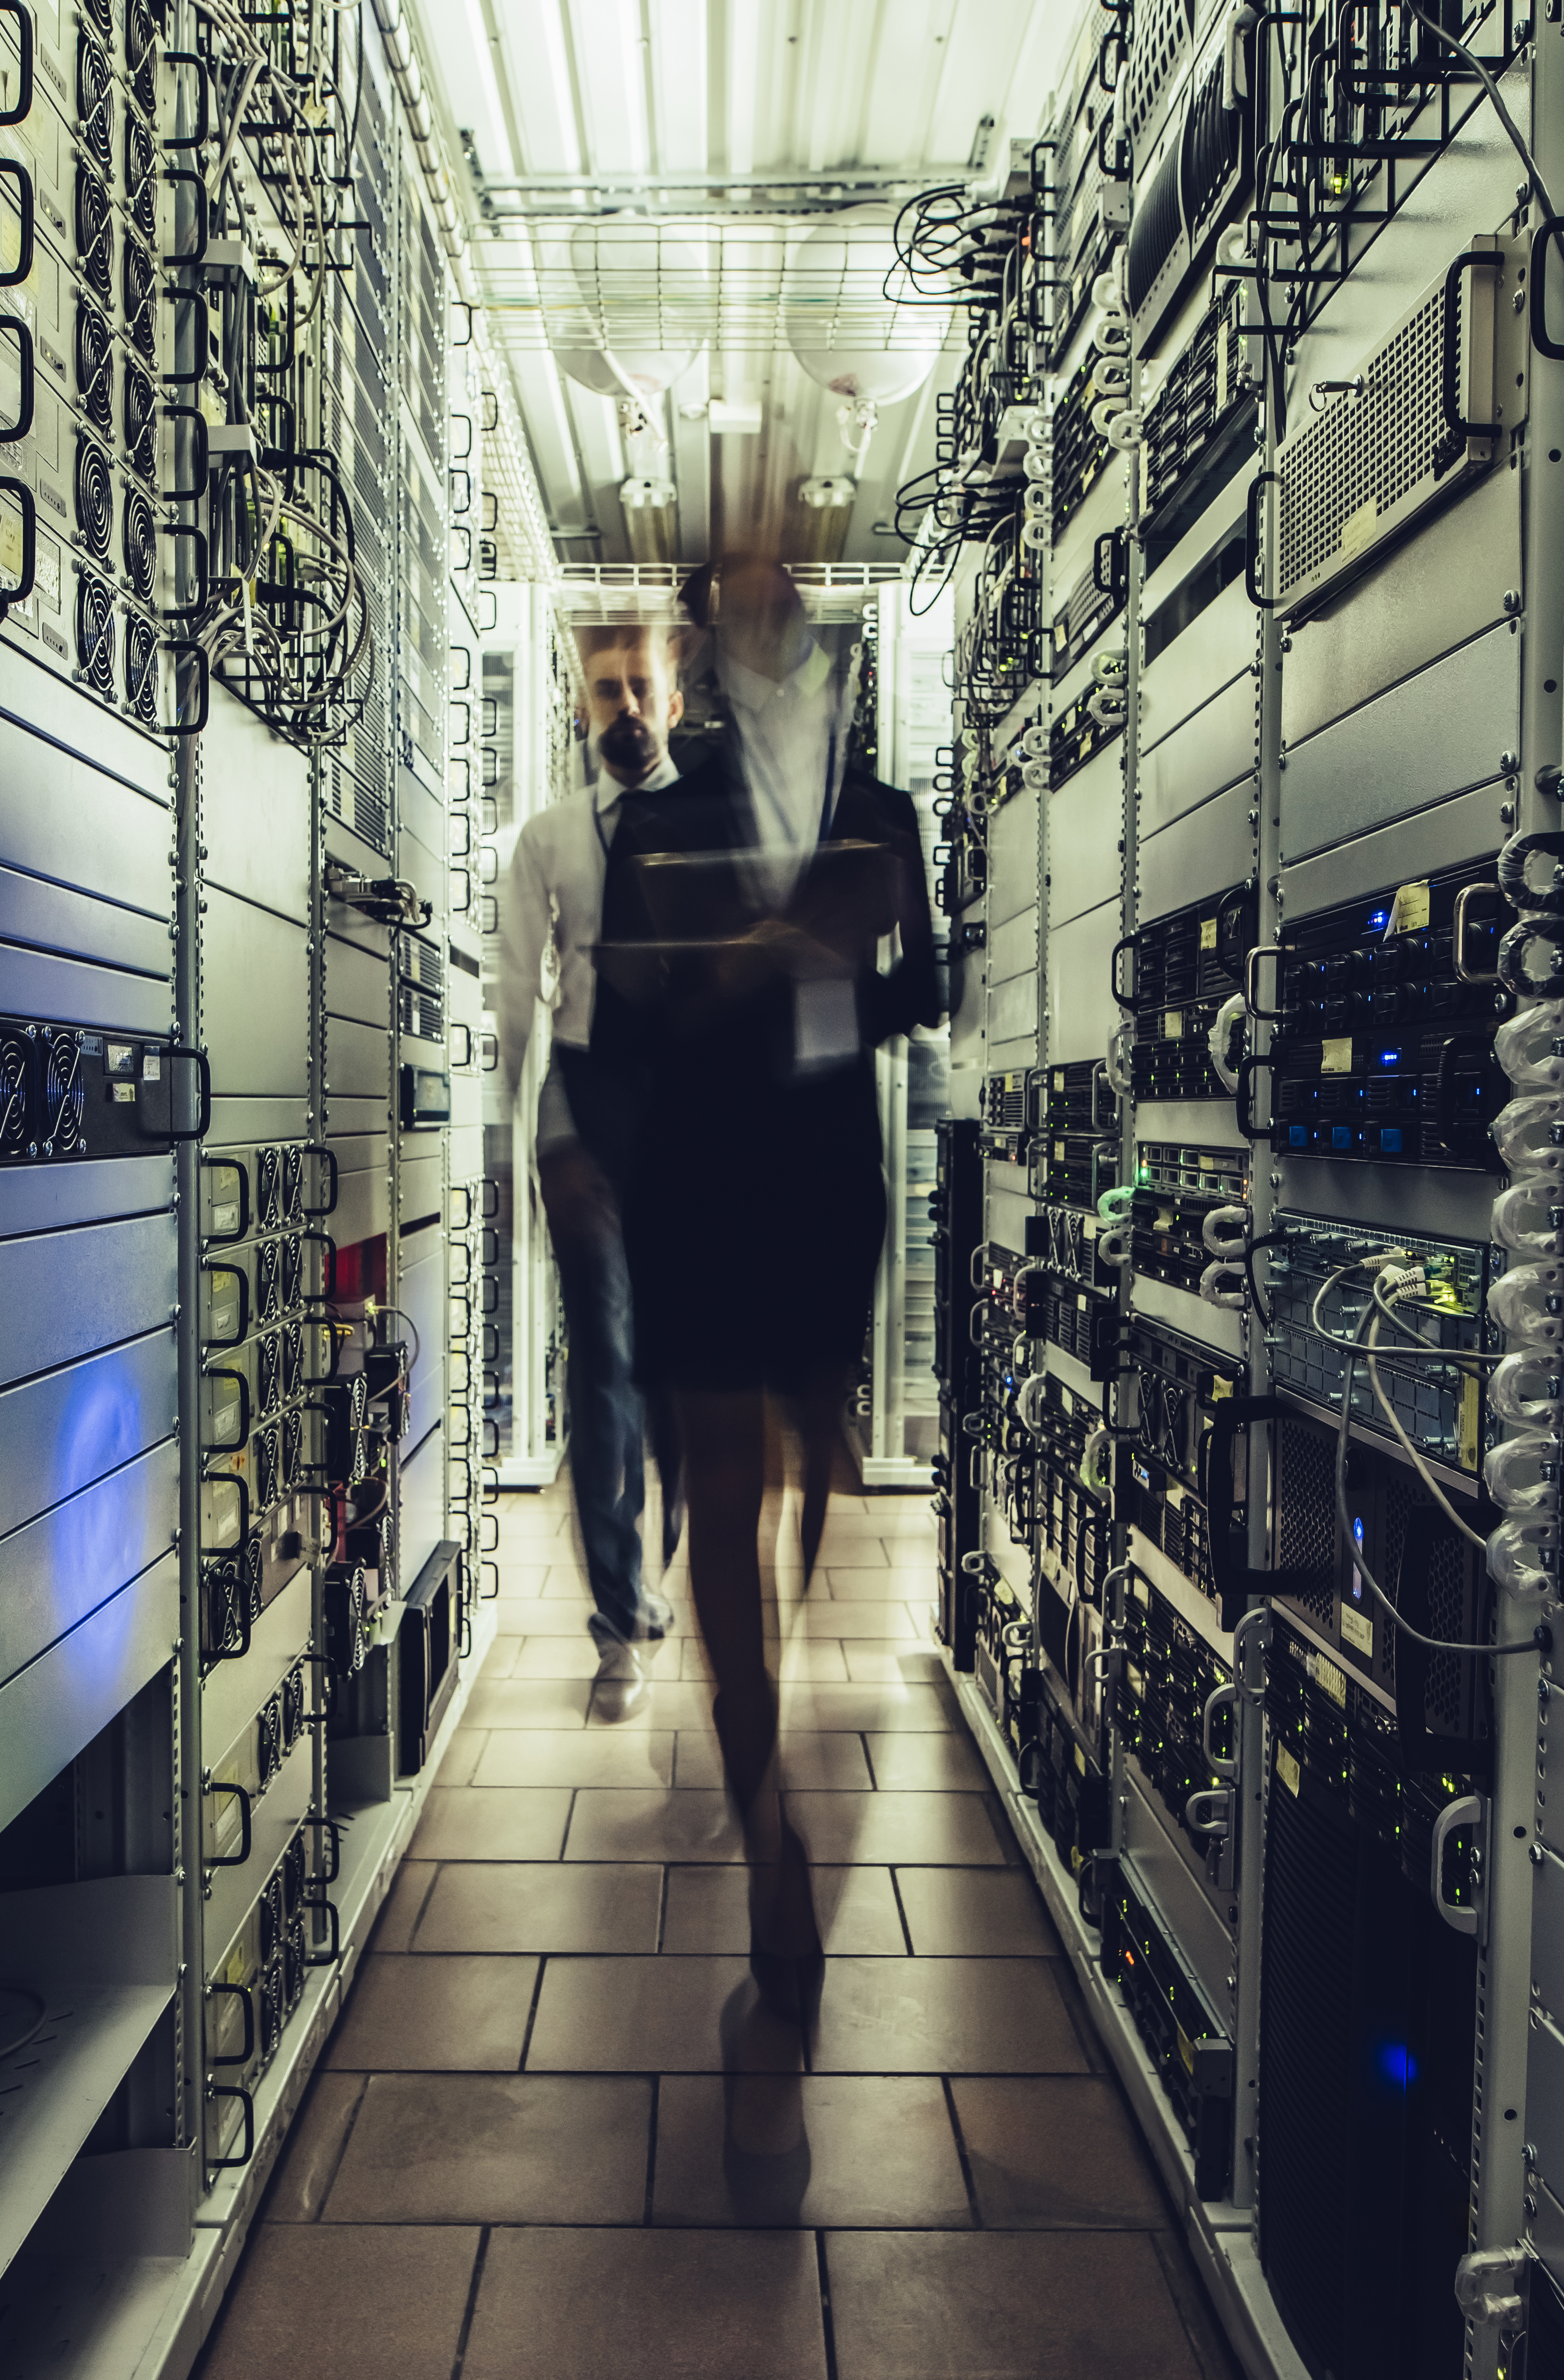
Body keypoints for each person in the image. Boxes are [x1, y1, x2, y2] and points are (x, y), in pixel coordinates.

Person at [588, 555, 948, 2025]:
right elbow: (613, 1013)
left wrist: (814, 966)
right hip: (693, 1185)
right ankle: (769, 1834)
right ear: (701, 650)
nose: (755, 634)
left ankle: (768, 1707)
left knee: (815, 1464)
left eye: (776, 608)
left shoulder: (884, 817)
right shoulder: (658, 824)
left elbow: (928, 993)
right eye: (728, 614)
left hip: (819, 1191)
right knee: (723, 1495)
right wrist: (732, 977)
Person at [491, 618, 685, 1694]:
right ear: (581, 706)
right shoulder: (549, 838)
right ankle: (614, 1610)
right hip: (584, 1104)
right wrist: (524, 1150)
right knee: (603, 1361)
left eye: (639, 687)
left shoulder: (716, 825)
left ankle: (649, 1568)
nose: (622, 706)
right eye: (603, 690)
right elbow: (518, 1000)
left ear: (672, 702)